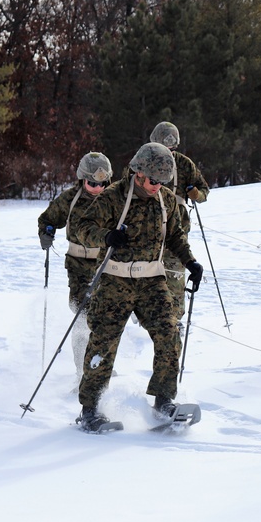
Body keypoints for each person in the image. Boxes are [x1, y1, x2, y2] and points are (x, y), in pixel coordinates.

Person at [71, 142, 204, 431]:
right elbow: (82, 227)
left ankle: (164, 401)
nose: (158, 186)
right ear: (138, 173)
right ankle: (90, 409)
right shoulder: (112, 197)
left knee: (169, 335)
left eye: (163, 182)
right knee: (103, 342)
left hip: (152, 281)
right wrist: (106, 237)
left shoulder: (166, 200)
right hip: (114, 281)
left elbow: (176, 236)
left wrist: (191, 262)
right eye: (153, 180)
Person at [37, 152, 113, 382]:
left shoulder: (114, 199)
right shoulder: (69, 199)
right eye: (92, 183)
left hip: (108, 265)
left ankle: (100, 366)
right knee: (82, 316)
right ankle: (82, 372)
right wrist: (47, 233)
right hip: (78, 265)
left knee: (106, 317)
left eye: (102, 183)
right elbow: (47, 219)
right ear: (82, 179)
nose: (97, 188)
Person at [149, 121, 210, 324]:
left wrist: (195, 193)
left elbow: (204, 192)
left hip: (177, 230)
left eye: (172, 148)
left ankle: (175, 322)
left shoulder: (185, 164)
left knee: (175, 277)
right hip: (146, 229)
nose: (169, 151)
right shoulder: (143, 161)